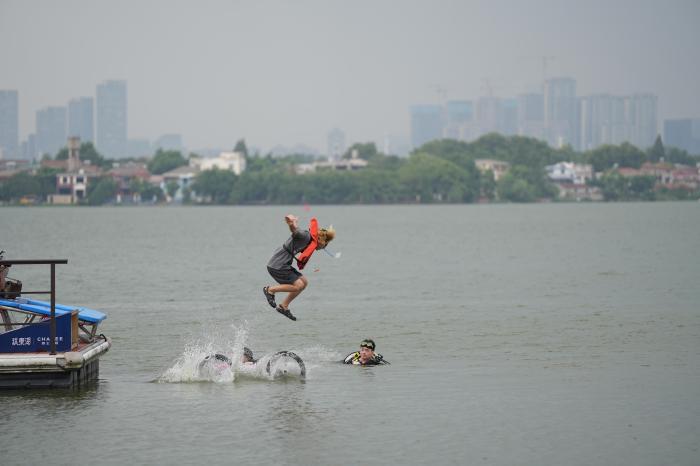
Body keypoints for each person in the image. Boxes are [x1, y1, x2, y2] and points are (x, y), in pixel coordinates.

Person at [263, 214, 335, 321]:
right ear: (320, 239)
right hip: (277, 265)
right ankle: (270, 290)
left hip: (284, 264)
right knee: (298, 285)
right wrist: (291, 224)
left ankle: (284, 306)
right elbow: (295, 231)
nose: (324, 247)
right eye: (326, 244)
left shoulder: (310, 240)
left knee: (304, 282)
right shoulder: (306, 236)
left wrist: (295, 223)